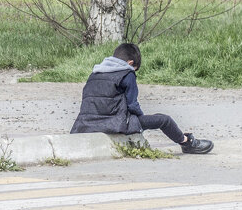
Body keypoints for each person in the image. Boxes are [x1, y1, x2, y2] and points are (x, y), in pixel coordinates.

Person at [71, 42, 213, 154]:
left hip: (85, 124)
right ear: (130, 63)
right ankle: (187, 142)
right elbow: (132, 105)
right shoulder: (127, 73)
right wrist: (138, 123)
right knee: (164, 120)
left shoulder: (95, 73)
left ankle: (186, 142)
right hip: (114, 124)